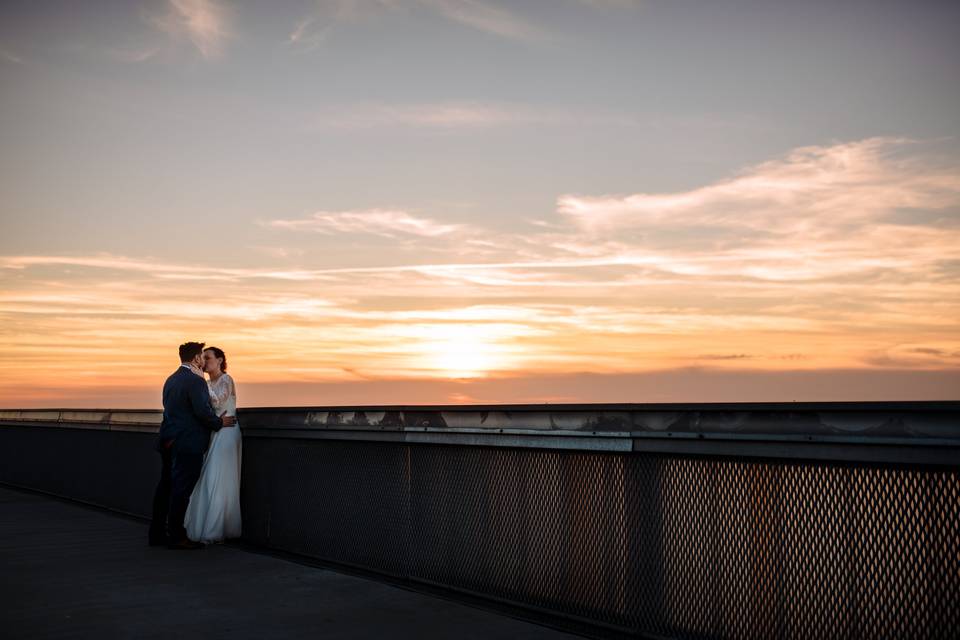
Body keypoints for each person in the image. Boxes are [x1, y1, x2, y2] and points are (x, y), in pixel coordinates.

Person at [149, 342, 236, 550]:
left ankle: (157, 533)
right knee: (182, 489)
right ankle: (177, 536)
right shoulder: (195, 381)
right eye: (201, 357)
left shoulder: (171, 379)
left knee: (165, 487)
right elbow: (202, 411)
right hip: (188, 443)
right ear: (196, 358)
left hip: (168, 440)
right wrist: (218, 423)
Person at [185, 346, 242, 543]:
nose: (204, 361)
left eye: (208, 358)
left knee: (217, 477)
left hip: (227, 433)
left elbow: (218, 404)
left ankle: (214, 528)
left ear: (219, 360)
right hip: (214, 431)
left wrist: (200, 378)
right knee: (209, 478)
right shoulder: (207, 382)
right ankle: (208, 526)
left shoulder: (226, 379)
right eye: (203, 357)